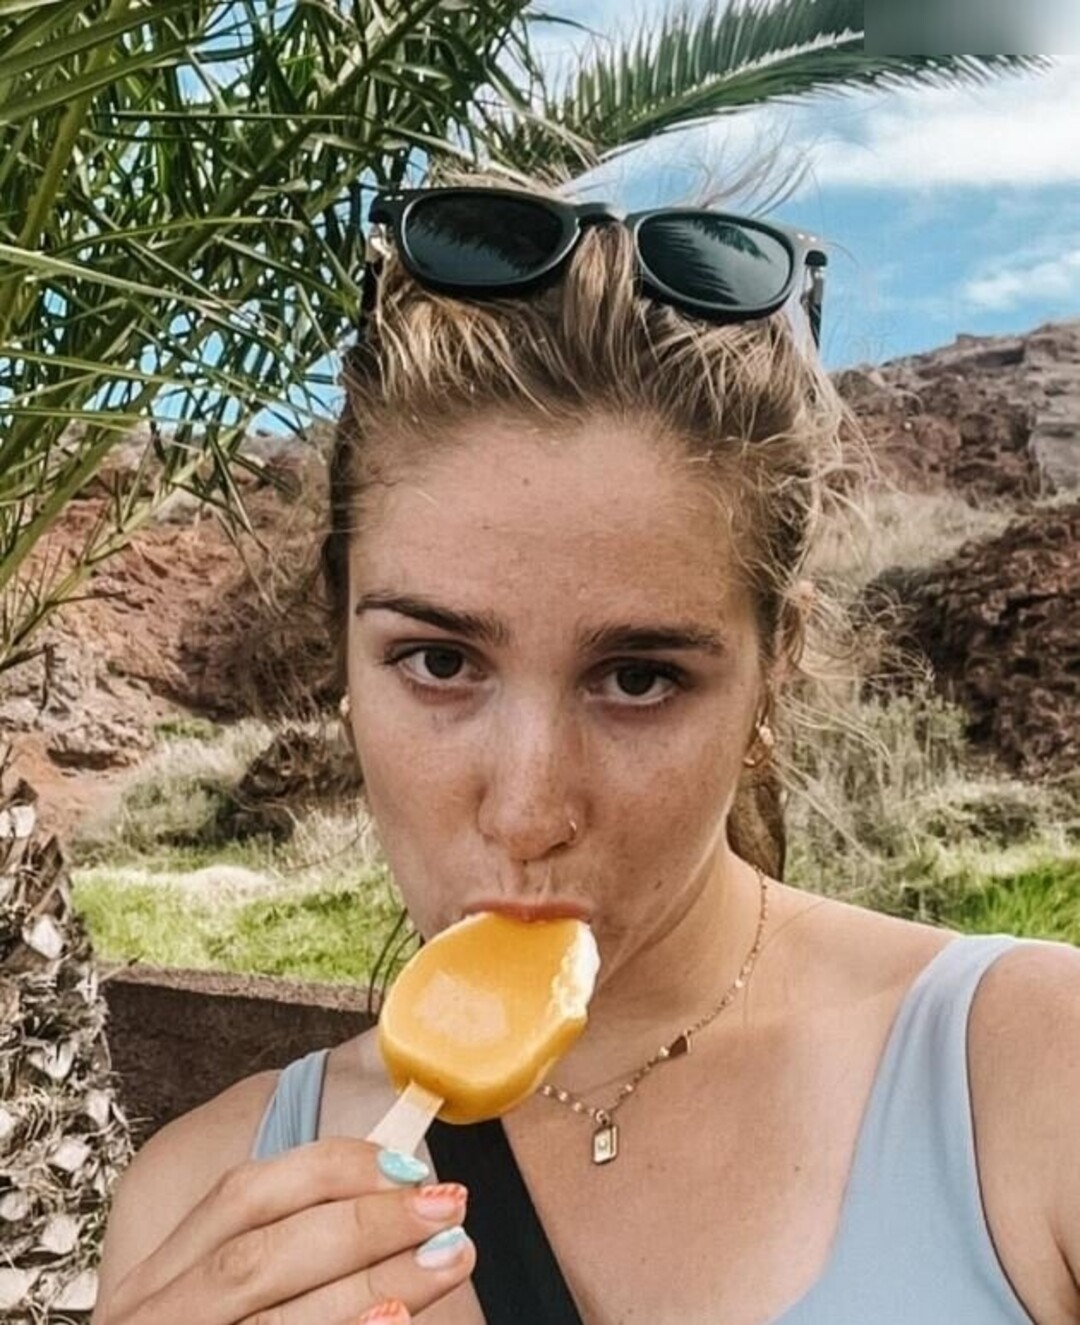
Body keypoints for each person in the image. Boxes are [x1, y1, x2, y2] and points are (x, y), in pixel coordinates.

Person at [90, 175, 1080, 1325]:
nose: (526, 810)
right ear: (343, 652)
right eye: (440, 661)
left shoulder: (1034, 1081)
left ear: (776, 666)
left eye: (639, 677)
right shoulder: (197, 1203)